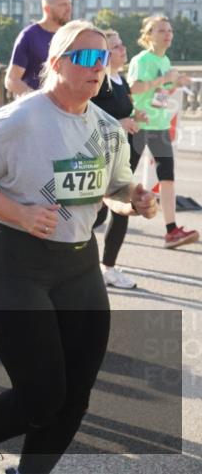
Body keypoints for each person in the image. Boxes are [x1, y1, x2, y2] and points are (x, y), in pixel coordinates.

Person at [0, 20, 157, 474]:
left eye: (103, 58)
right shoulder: (19, 118)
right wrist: (20, 213)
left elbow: (116, 190)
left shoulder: (106, 128)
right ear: (56, 63)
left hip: (77, 265)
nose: (97, 67)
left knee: (75, 395)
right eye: (85, 57)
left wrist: (133, 200)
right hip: (13, 260)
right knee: (42, 395)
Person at [127, 15, 198, 249]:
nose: (168, 34)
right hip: (139, 124)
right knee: (121, 178)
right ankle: (96, 216)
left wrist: (174, 84)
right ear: (148, 36)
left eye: (170, 30)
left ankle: (171, 230)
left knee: (167, 179)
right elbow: (134, 89)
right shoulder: (142, 59)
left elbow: (160, 95)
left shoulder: (166, 60)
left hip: (159, 125)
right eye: (161, 31)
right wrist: (163, 80)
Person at [90, 30, 146, 289]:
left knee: (121, 210)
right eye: (116, 46)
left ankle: (108, 267)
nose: (123, 49)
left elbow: (121, 110)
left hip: (125, 154)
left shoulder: (119, 79)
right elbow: (88, 113)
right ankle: (75, 259)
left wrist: (136, 117)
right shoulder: (99, 80)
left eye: (123, 45)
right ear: (104, 53)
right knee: (96, 214)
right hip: (104, 154)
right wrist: (120, 122)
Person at [5, 0, 72, 96]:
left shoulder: (71, 36)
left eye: (70, 3)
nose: (69, 9)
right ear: (47, 8)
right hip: (35, 109)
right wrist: (38, 100)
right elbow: (12, 80)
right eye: (63, 5)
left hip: (66, 107)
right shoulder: (29, 36)